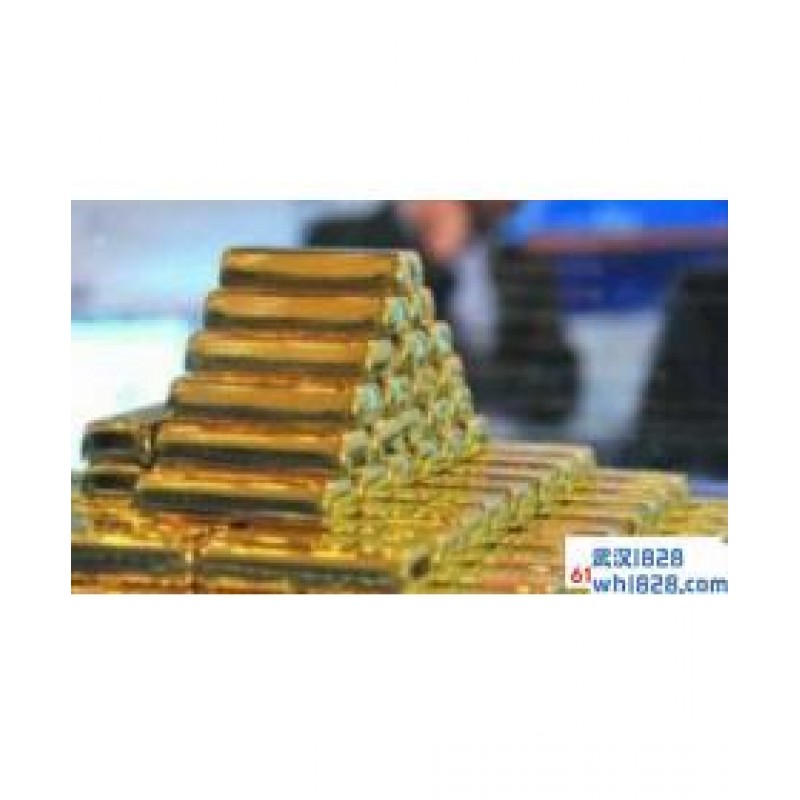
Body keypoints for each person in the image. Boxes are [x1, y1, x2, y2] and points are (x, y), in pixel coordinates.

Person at [305, 202, 579, 422]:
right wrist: (435, 261)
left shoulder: (521, 265)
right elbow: (361, 380)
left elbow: (559, 390)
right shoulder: (342, 242)